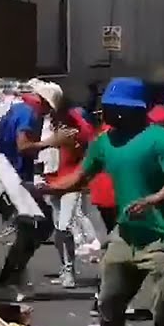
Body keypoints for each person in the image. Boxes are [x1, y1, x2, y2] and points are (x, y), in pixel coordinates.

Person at [44, 77, 164, 326]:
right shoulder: (103, 142)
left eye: (115, 108)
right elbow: (80, 176)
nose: (108, 113)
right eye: (107, 108)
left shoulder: (159, 138)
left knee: (163, 310)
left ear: (134, 110)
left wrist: (153, 199)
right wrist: (50, 188)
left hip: (160, 237)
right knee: (108, 301)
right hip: (124, 235)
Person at [0, 81, 71, 300]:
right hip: (15, 176)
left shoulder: (18, 109)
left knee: (31, 227)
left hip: (8, 174)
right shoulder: (29, 114)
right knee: (38, 226)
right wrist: (52, 141)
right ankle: (9, 279)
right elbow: (23, 146)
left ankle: (13, 277)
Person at [38, 85, 96, 289]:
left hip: (71, 180)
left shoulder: (73, 119)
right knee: (58, 228)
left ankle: (70, 270)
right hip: (51, 178)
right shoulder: (45, 121)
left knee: (65, 226)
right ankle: (66, 268)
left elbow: (88, 139)